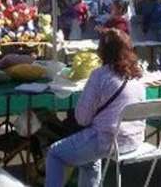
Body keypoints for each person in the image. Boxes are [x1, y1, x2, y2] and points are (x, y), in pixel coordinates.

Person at [45, 29, 145, 187]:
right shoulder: (138, 77)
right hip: (134, 139)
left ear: (102, 51)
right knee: (89, 160)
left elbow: (82, 119)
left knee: (55, 153)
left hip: (108, 141)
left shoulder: (100, 75)